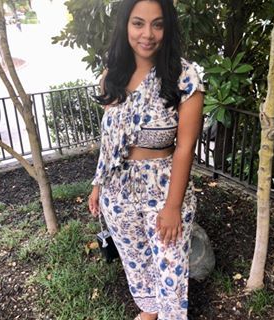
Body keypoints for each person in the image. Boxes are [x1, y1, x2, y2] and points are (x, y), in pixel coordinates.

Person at [88, 0, 204, 319]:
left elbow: (185, 147)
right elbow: (110, 140)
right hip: (118, 189)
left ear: (168, 28)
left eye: (158, 24)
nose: (147, 34)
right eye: (138, 23)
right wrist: (99, 184)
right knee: (136, 262)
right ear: (126, 26)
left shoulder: (184, 76)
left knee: (170, 271)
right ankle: (149, 312)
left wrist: (172, 207)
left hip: (163, 186)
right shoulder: (111, 77)